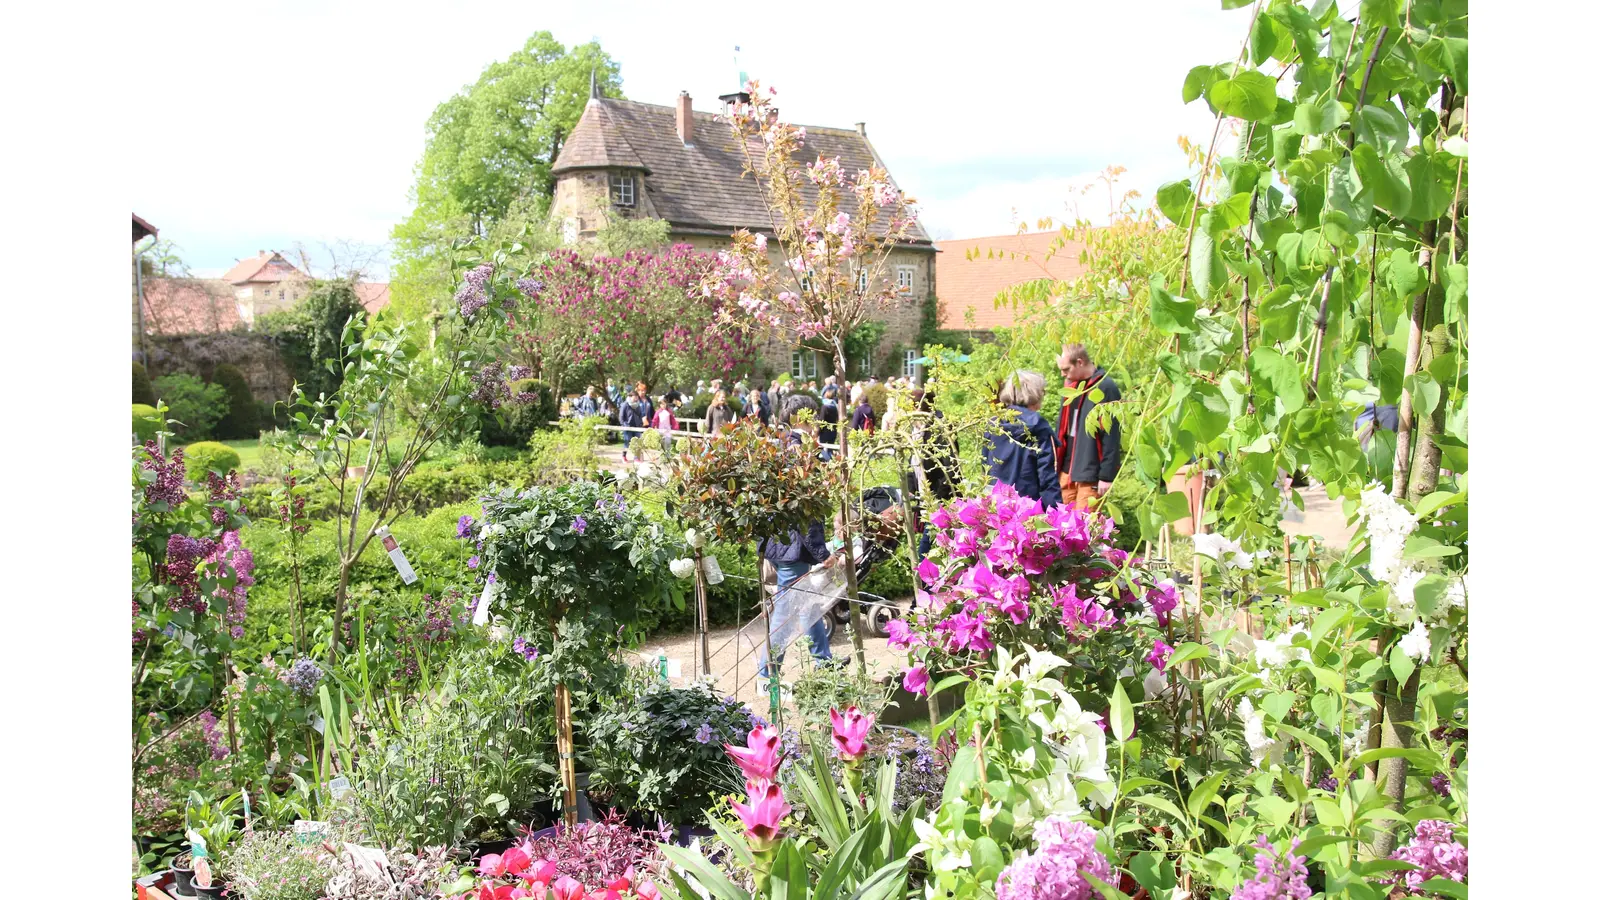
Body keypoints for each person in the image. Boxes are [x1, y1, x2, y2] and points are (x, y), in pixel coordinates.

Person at [758, 393, 837, 679]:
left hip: (783, 543)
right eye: (813, 415)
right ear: (802, 417)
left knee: (807, 603)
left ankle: (823, 660)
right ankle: (767, 673)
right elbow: (807, 511)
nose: (817, 421)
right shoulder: (801, 453)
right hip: (792, 545)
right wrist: (822, 553)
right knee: (785, 612)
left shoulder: (782, 447)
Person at [1055, 343, 1123, 509]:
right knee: (1061, 527)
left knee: (1085, 527)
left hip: (1090, 473)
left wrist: (1106, 475)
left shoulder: (1105, 388)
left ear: (1080, 362)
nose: (1063, 374)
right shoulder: (1071, 387)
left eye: (1066, 369)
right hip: (1066, 471)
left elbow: (1111, 435)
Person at [982, 370, 1063, 508]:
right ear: (1035, 393)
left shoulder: (993, 424)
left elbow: (985, 470)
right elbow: (1047, 476)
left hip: (998, 506)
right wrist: (1056, 513)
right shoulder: (1039, 426)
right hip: (1029, 507)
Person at [618, 381, 653, 461]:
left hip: (636, 426)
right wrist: (624, 424)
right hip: (628, 427)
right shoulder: (625, 405)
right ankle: (624, 456)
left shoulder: (637, 406)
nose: (636, 398)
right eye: (635, 397)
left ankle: (636, 458)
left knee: (637, 443)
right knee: (627, 442)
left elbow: (641, 414)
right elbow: (621, 417)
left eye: (637, 397)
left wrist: (641, 423)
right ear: (631, 396)